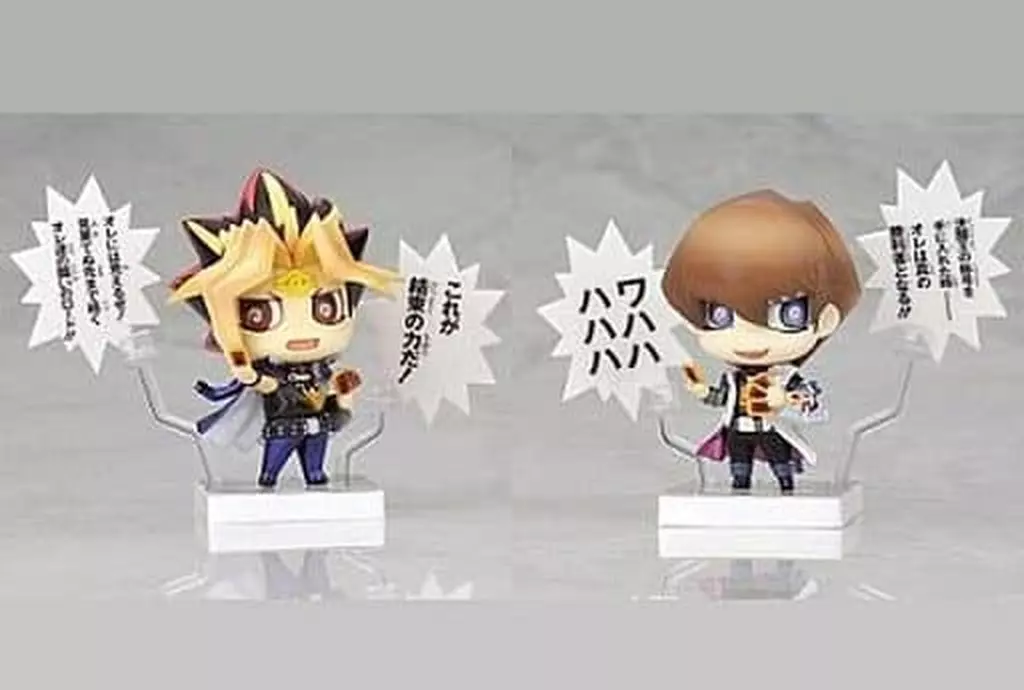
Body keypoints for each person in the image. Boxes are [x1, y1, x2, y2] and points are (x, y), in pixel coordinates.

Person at [169, 169, 398, 488]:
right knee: (268, 477)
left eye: (326, 308)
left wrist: (345, 395)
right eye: (260, 315)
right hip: (283, 429)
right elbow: (261, 383)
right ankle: (268, 493)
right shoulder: (275, 375)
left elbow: (340, 410)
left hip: (318, 427)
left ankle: (312, 490)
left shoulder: (323, 371)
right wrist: (243, 370)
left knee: (316, 476)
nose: (301, 331)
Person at [661, 190, 862, 493]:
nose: (748, 338)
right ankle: (741, 492)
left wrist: (785, 401)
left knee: (781, 466)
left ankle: (786, 489)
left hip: (771, 430)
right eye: (721, 315)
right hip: (737, 432)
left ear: (826, 318)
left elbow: (812, 406)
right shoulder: (733, 379)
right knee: (739, 471)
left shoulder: (786, 378)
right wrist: (701, 390)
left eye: (786, 314)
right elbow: (721, 399)